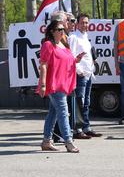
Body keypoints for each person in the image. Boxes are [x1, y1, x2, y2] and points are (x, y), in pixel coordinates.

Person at [38, 19, 85, 153]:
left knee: (53, 113)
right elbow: (44, 64)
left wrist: (77, 60)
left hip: (64, 83)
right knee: (63, 112)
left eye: (63, 29)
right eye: (59, 29)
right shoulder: (48, 45)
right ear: (52, 32)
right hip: (54, 84)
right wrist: (42, 84)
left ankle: (46, 141)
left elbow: (67, 62)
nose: (62, 32)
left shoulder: (63, 45)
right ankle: (68, 142)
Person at [68, 13, 102, 139]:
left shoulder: (85, 37)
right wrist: (79, 70)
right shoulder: (73, 37)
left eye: (86, 22)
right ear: (77, 23)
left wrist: (91, 68)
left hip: (88, 74)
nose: (85, 24)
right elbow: (71, 56)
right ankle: (78, 129)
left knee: (86, 103)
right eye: (82, 22)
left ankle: (86, 127)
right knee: (79, 102)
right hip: (80, 75)